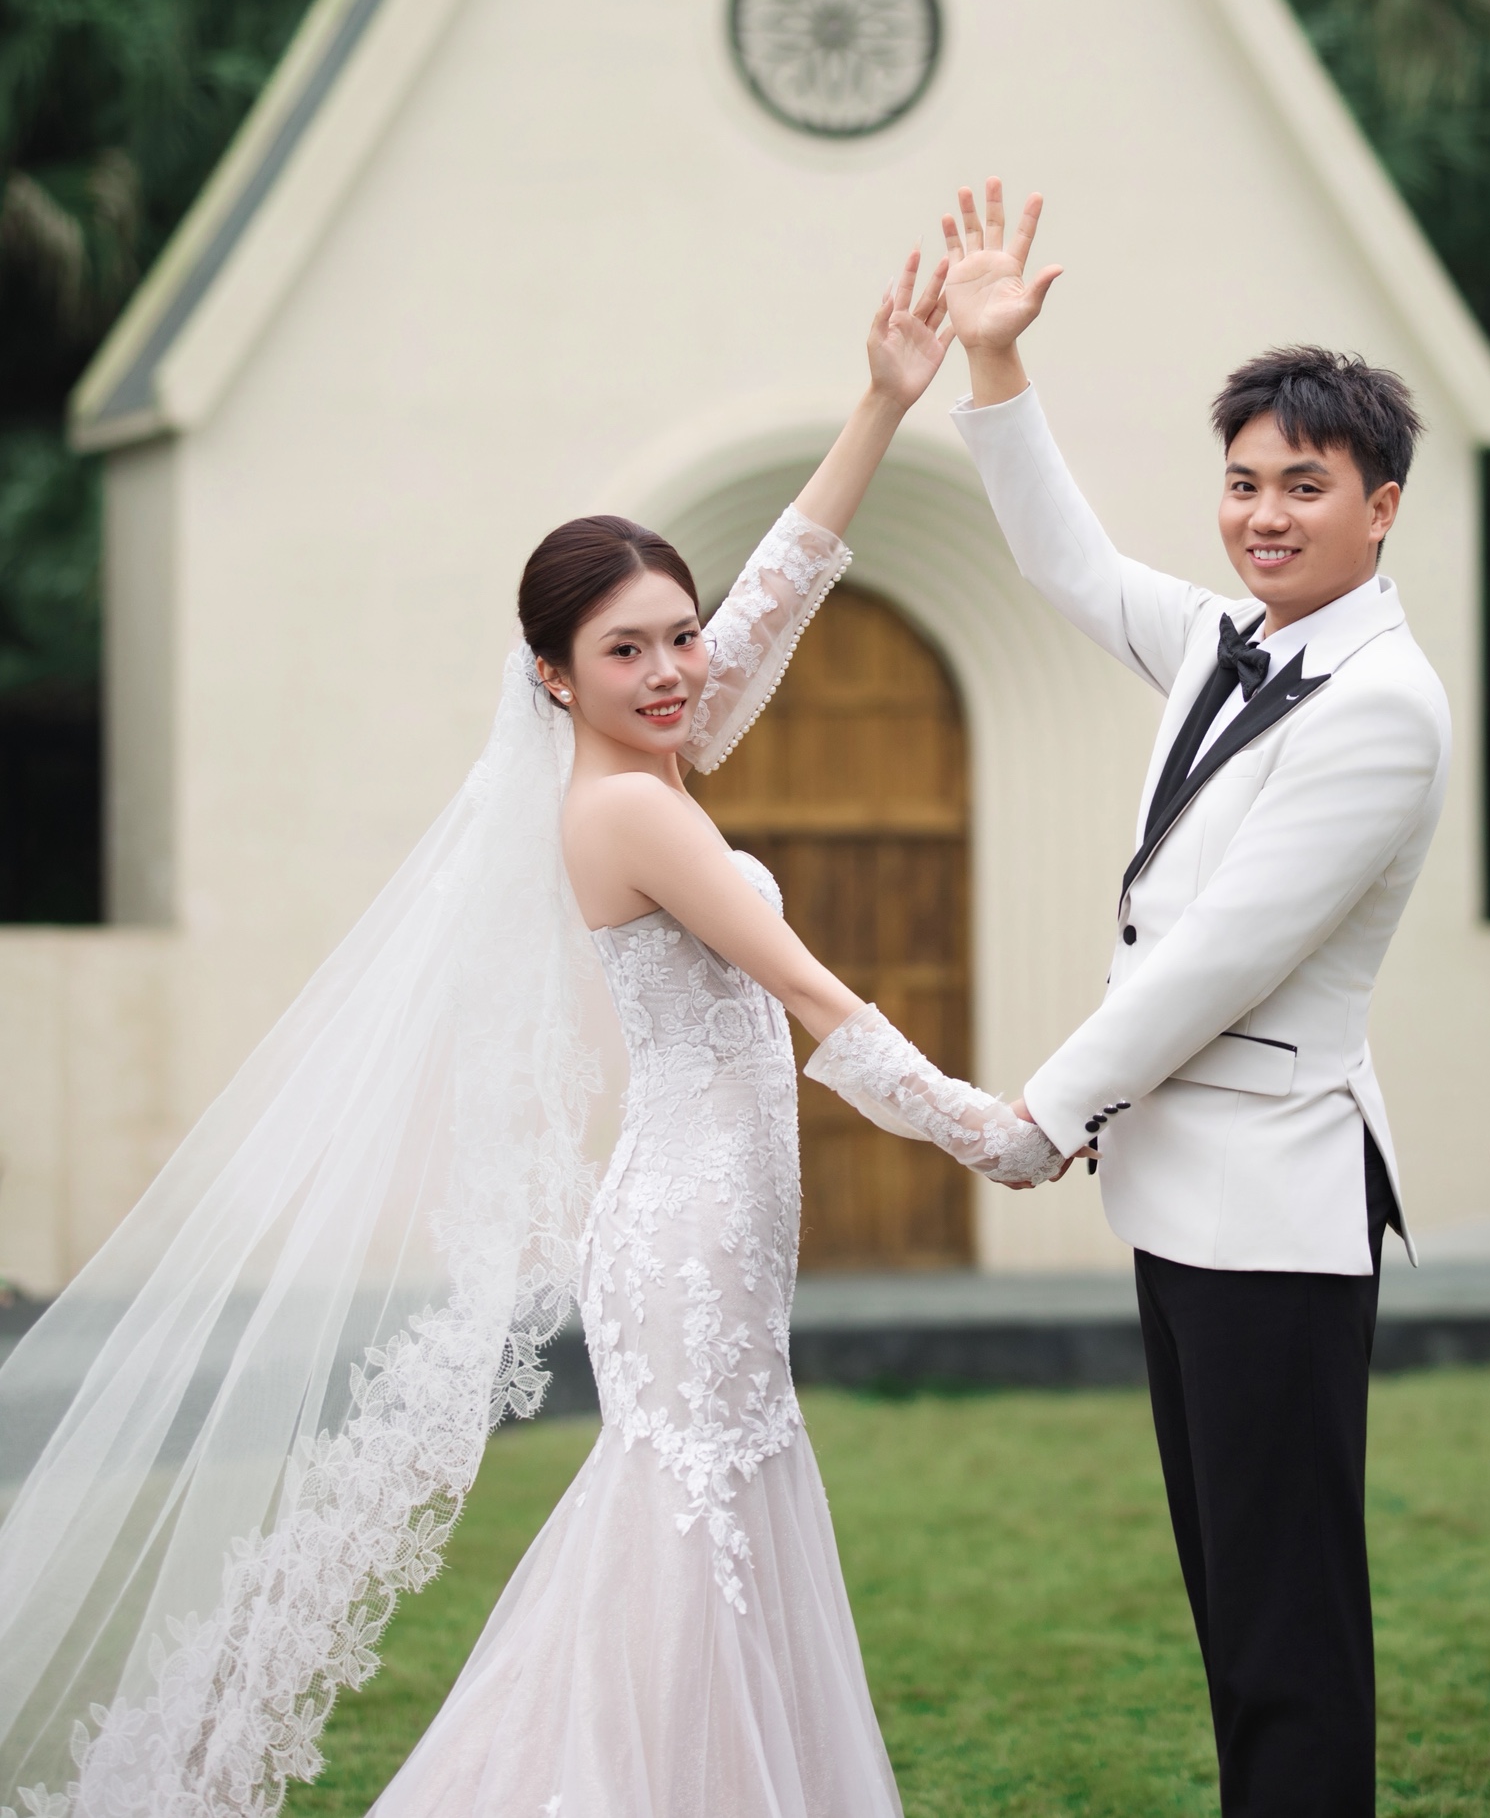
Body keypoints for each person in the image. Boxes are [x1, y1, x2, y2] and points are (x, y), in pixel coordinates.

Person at [0, 250, 1058, 1818]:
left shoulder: (658, 751)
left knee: (706, 1535)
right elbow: (817, 998)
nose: (673, 671)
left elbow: (775, 594)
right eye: (626, 651)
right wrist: (991, 1132)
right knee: (683, 1549)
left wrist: (882, 404)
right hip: (685, 1234)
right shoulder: (636, 812)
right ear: (554, 679)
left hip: (713, 1225)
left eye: (678, 637)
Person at [942, 181, 1448, 1818]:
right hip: (1187, 1201)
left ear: (1381, 505)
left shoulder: (1385, 707)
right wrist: (995, 363)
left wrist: (1046, 1110)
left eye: (1304, 485)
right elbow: (1070, 566)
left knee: (1287, 1627)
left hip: (1275, 1211)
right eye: (1243, 483)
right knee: (1234, 1610)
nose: (1263, 516)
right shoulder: (1232, 637)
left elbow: (1228, 950)